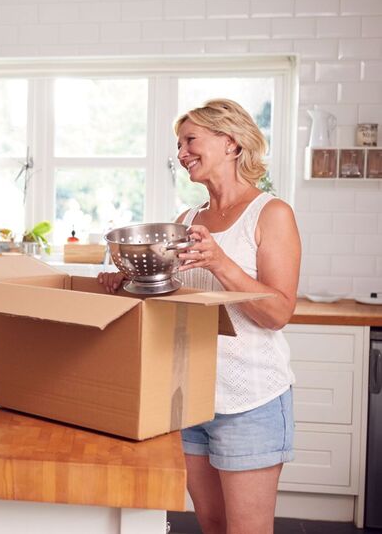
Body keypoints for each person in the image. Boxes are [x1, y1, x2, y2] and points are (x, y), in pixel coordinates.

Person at [98, 99, 300, 534]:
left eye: (191, 140)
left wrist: (221, 262)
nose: (182, 151)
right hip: (190, 397)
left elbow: (279, 312)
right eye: (179, 143)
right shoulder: (186, 221)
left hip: (251, 399)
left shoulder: (271, 213)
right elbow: (171, 299)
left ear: (230, 143)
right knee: (211, 525)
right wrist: (127, 280)